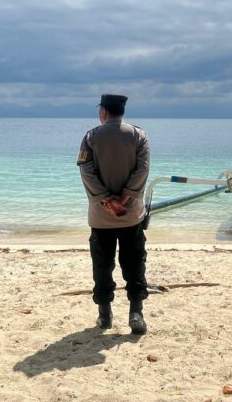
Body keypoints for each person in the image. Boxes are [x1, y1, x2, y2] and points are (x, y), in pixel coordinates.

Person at [78, 94, 151, 334]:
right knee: (135, 264)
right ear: (122, 112)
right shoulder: (139, 135)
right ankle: (136, 314)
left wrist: (105, 200)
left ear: (103, 112)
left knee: (102, 266)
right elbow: (142, 171)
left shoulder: (90, 137)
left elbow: (86, 173)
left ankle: (105, 316)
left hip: (100, 218)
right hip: (132, 216)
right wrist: (124, 198)